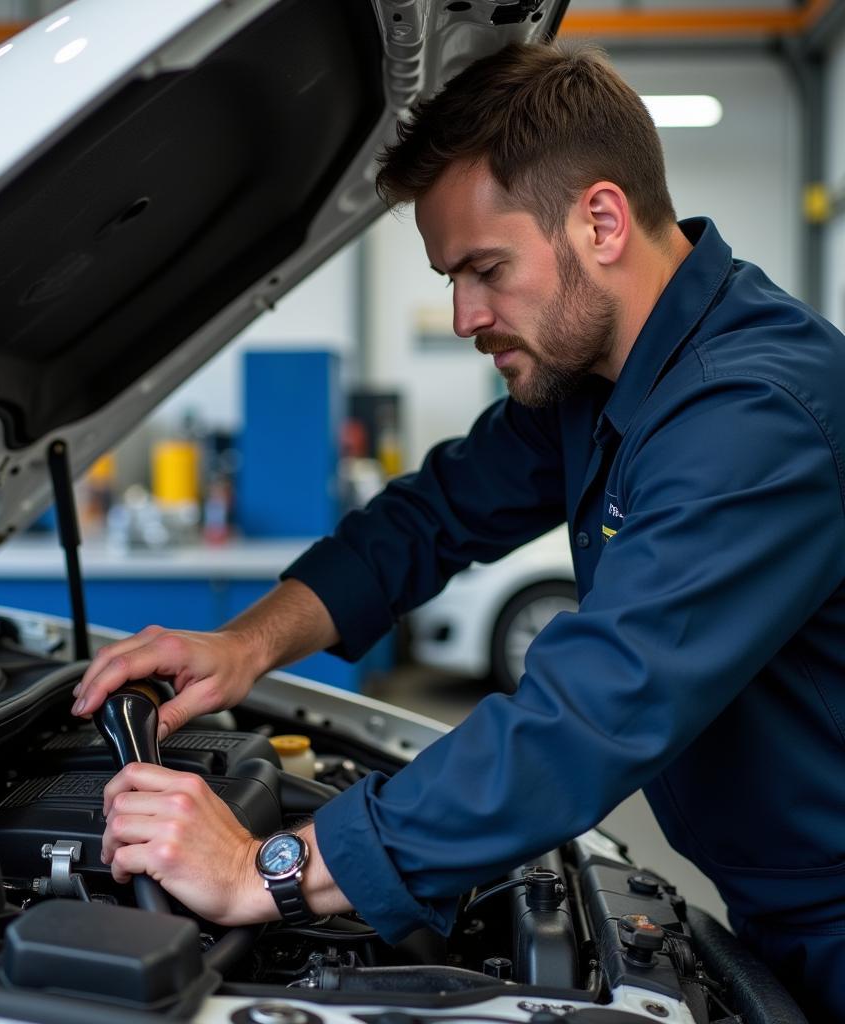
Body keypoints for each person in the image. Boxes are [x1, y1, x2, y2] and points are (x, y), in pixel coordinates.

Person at [71, 42, 845, 1018]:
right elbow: (430, 516)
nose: (464, 313)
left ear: (601, 221)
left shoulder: (754, 413)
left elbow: (591, 713)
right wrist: (243, 644)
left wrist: (266, 869)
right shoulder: (600, 373)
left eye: (486, 268)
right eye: (450, 275)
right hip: (783, 904)